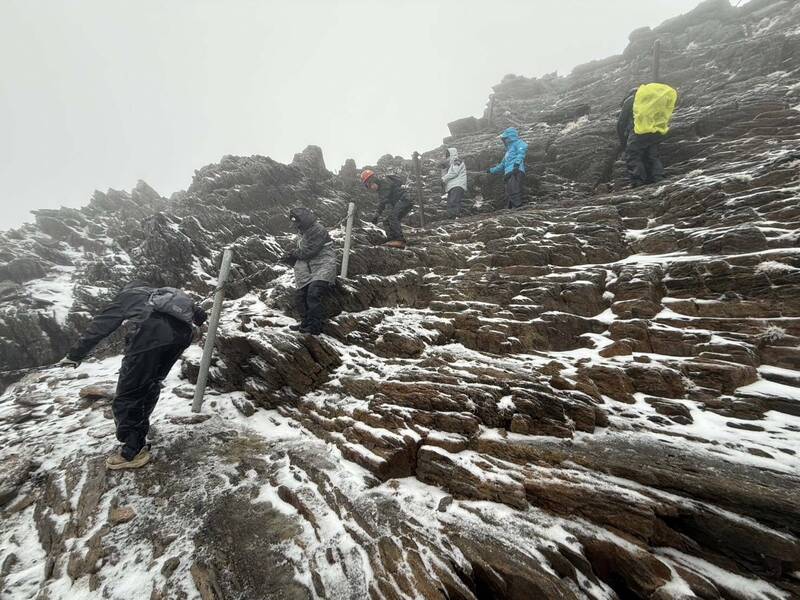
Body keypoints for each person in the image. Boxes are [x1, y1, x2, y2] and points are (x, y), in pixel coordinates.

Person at [59, 281, 207, 470]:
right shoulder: (162, 293)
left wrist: (75, 355)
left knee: (128, 392)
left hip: (148, 339)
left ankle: (133, 450)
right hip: (182, 338)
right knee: (151, 383)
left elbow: (100, 327)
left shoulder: (126, 297)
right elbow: (199, 315)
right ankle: (139, 432)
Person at [280, 207, 337, 335]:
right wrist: (289, 258)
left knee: (313, 293)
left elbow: (310, 251)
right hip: (309, 268)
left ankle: (315, 326)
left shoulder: (318, 230)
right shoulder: (303, 231)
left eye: (297, 223)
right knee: (300, 295)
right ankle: (305, 322)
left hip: (324, 265)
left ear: (303, 221)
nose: (295, 226)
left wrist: (292, 254)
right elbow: (304, 253)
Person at [617, 83, 678, 188]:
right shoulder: (651, 100)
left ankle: (638, 182)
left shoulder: (630, 100)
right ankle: (659, 178)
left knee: (633, 155)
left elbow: (621, 123)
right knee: (652, 156)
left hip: (638, 132)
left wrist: (623, 143)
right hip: (655, 131)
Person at [360, 169, 413, 249]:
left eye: (369, 184)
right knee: (386, 221)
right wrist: (377, 215)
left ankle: (399, 240)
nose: (370, 188)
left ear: (373, 180)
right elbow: (383, 202)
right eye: (367, 186)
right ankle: (392, 239)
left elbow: (383, 201)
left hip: (404, 200)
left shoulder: (384, 182)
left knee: (393, 217)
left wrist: (376, 215)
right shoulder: (381, 187)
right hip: (403, 201)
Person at [487, 127, 528, 209]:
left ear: (510, 137)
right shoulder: (508, 152)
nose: (504, 140)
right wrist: (491, 170)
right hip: (509, 173)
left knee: (514, 190)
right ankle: (512, 208)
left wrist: (516, 164)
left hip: (516, 171)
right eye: (504, 138)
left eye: (505, 138)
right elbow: (502, 165)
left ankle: (517, 207)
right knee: (509, 191)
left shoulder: (519, 143)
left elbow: (522, 152)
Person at [441, 147, 467, 218]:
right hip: (453, 186)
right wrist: (443, 170)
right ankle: (451, 217)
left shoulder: (457, 161)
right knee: (450, 203)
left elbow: (454, 173)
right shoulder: (452, 164)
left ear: (452, 154)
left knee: (453, 202)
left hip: (457, 185)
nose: (447, 157)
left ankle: (455, 217)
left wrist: (443, 178)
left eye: (448, 155)